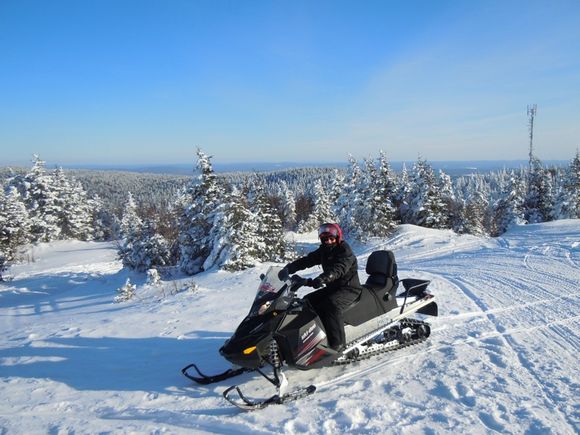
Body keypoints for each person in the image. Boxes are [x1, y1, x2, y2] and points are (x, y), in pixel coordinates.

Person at [278, 223, 361, 352]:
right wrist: (289, 268)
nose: (328, 241)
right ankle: (312, 337)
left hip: (349, 289)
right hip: (333, 287)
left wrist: (323, 278)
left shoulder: (345, 251)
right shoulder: (324, 250)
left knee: (331, 305)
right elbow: (307, 260)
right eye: (325, 239)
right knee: (307, 301)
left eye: (331, 238)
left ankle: (338, 344)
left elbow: (339, 268)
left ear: (337, 238)